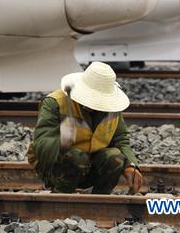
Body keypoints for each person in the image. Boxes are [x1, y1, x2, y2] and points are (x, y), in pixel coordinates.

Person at [27, 61, 144, 194]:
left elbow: (121, 139)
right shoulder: (55, 102)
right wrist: (62, 141)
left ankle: (98, 198)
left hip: (91, 166)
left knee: (115, 157)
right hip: (58, 167)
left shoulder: (112, 108)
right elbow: (41, 144)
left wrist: (131, 165)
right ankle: (61, 195)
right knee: (77, 157)